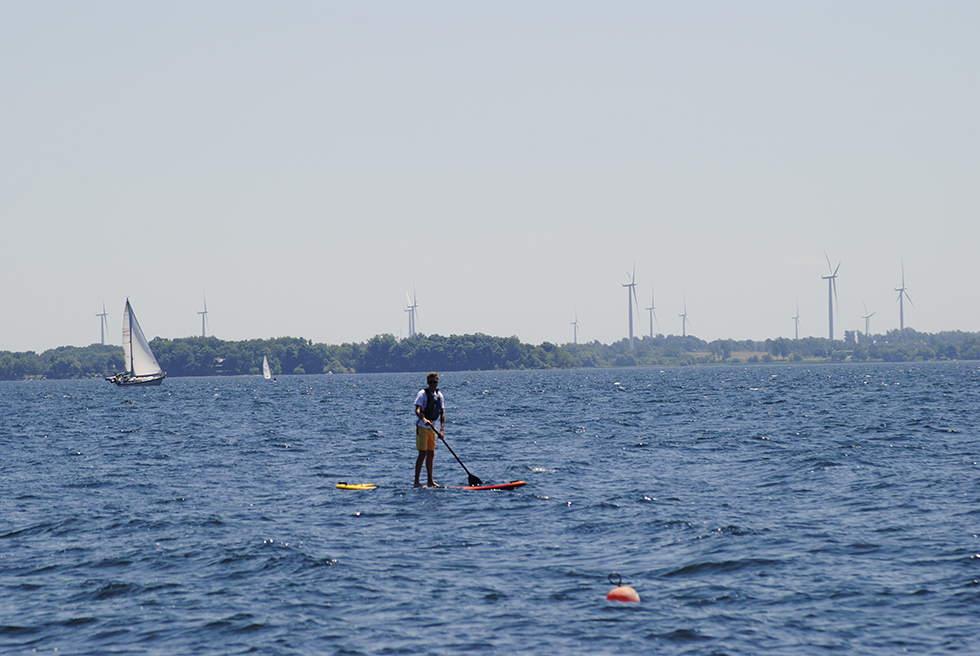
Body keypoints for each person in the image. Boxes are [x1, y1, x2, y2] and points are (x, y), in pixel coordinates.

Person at [414, 371, 445, 487]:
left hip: (433, 429)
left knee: (431, 454)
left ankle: (430, 481)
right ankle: (416, 482)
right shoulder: (422, 394)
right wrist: (424, 419)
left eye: (435, 382)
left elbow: (442, 414)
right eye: (431, 382)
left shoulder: (439, 395)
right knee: (422, 453)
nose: (433, 384)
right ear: (428, 383)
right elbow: (417, 410)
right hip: (422, 428)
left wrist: (442, 430)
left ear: (437, 382)